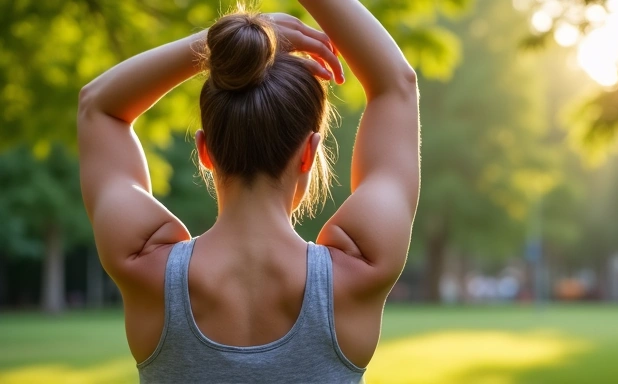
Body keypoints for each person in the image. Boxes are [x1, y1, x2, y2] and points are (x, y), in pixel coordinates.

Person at [77, 0, 419, 382]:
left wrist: (224, 45)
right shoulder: (360, 269)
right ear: (309, 152)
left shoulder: (143, 262)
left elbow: (98, 107)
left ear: (204, 150)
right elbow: (396, 85)